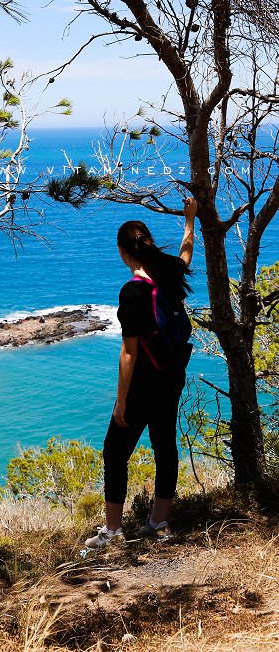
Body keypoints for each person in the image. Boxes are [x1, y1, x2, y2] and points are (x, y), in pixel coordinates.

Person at [85, 197, 198, 550]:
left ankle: (113, 531)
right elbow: (185, 254)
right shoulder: (169, 274)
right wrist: (190, 220)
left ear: (122, 252)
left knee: (114, 452)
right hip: (171, 377)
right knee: (165, 448)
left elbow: (129, 353)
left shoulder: (132, 292)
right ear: (148, 244)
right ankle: (159, 523)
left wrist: (121, 402)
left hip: (142, 385)